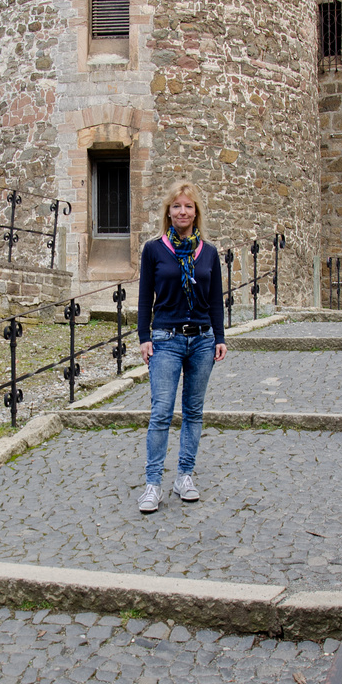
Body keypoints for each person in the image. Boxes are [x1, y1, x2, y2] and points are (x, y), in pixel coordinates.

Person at [136, 182, 227, 514]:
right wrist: (143, 337)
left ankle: (184, 476)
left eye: (188, 206)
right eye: (176, 206)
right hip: (165, 339)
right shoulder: (154, 250)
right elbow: (146, 296)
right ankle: (153, 484)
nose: (182, 212)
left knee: (193, 412)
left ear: (196, 212)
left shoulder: (210, 252)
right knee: (161, 413)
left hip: (202, 340)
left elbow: (215, 298)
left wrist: (220, 337)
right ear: (168, 212)